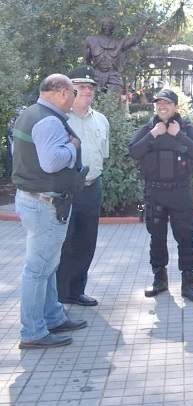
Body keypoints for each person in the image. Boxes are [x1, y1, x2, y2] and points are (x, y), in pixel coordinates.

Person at [11, 74, 88, 349]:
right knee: (37, 269)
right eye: (74, 93)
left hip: (34, 199)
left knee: (46, 266)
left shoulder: (29, 114)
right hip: (45, 204)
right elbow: (52, 161)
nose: (74, 100)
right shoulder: (48, 120)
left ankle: (53, 316)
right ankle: (32, 331)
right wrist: (72, 146)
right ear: (62, 92)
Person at [129, 88, 193, 302]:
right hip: (154, 192)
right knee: (157, 238)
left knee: (186, 237)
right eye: (159, 103)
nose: (162, 106)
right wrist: (154, 133)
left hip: (180, 191)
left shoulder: (187, 128)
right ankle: (159, 280)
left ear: (175, 106)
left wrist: (177, 134)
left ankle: (188, 283)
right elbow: (134, 151)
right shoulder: (147, 128)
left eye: (167, 103)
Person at [56, 65, 109, 307]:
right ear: (70, 90)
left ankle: (76, 291)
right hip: (66, 190)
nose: (87, 90)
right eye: (81, 86)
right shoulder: (58, 119)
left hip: (92, 187)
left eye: (91, 87)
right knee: (64, 244)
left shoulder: (101, 120)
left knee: (87, 242)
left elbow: (102, 155)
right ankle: (58, 296)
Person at [84, 16, 152, 92]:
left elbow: (136, 39)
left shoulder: (120, 42)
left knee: (113, 100)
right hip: (96, 76)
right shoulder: (91, 40)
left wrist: (145, 26)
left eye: (109, 26)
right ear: (101, 26)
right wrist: (87, 78)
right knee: (92, 100)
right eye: (105, 25)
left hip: (113, 76)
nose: (107, 28)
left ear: (112, 27)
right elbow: (86, 61)